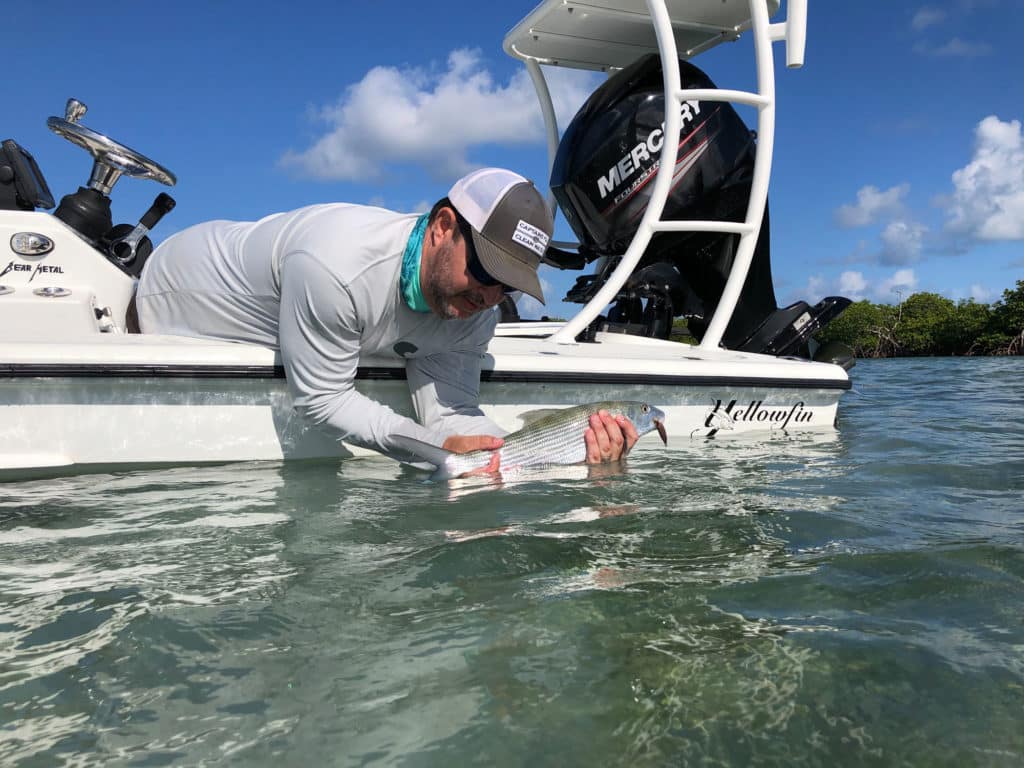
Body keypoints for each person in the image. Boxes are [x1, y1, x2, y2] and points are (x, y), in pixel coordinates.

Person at [135, 167, 637, 471]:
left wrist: (569, 457)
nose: (490, 296)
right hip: (170, 293)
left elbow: (452, 413)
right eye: (485, 269)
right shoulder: (337, 264)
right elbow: (322, 400)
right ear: (443, 227)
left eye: (507, 285)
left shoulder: (477, 312)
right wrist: (436, 450)